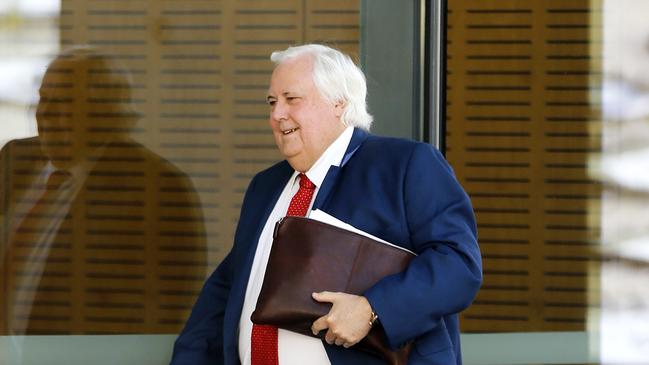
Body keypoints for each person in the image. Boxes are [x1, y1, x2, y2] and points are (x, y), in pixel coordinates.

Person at [170, 44, 482, 365]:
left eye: (292, 99)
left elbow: (458, 265)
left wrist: (372, 309)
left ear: (339, 102)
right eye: (272, 102)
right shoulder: (265, 187)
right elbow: (226, 292)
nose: (277, 114)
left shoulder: (404, 165)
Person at [0, 46, 206, 335]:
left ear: (105, 112)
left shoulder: (154, 188)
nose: (45, 114)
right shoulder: (14, 159)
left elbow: (161, 306)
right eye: (44, 100)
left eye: (65, 103)